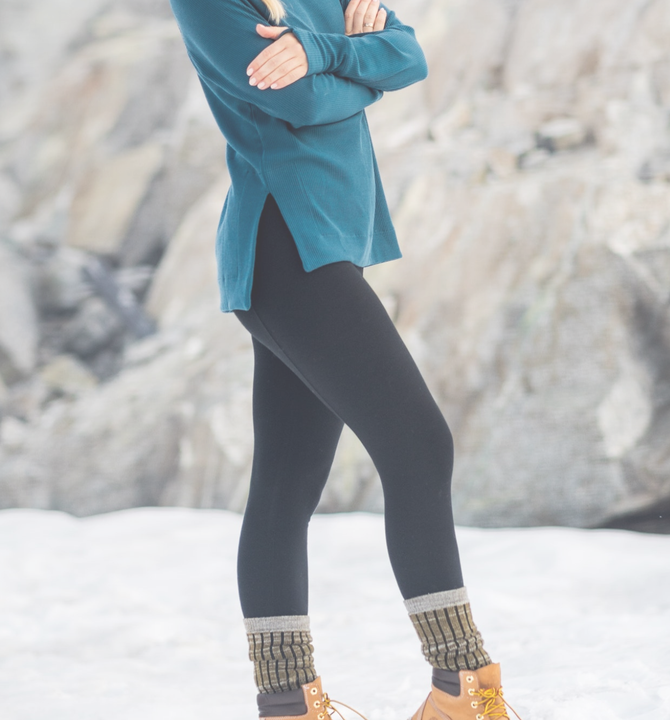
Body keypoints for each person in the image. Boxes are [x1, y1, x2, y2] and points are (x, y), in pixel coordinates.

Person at [167, 1, 521, 719]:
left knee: (287, 483)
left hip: (327, 249)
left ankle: (288, 702)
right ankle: (462, 687)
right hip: (283, 249)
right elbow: (296, 99)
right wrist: (349, 65)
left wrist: (321, 50)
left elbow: (409, 54)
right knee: (419, 446)